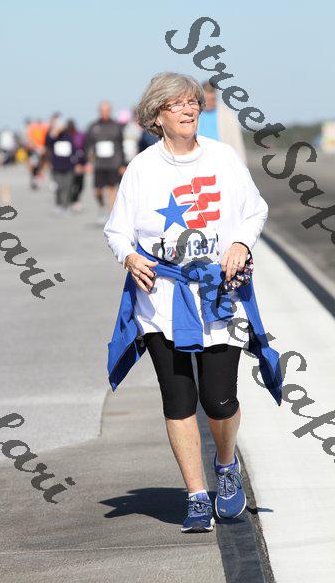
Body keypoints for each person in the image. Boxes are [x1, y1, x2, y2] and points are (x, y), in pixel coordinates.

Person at [103, 72, 283, 534]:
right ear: (156, 115)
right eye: (178, 104)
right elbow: (117, 230)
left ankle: (225, 465)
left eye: (194, 102)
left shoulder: (222, 158)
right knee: (178, 398)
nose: (190, 110)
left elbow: (255, 210)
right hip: (162, 299)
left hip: (219, 296)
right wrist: (129, 257)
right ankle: (197, 494)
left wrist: (240, 243)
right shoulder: (142, 168)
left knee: (219, 400)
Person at [84, 101, 126, 225]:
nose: (105, 112)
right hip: (99, 163)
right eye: (102, 110)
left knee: (112, 189)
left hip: (113, 163)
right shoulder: (93, 126)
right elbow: (88, 145)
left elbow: (121, 146)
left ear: (110, 111)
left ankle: (111, 215)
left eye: (107, 110)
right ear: (99, 111)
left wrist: (122, 164)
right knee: (97, 189)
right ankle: (101, 207)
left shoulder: (116, 126)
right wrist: (88, 162)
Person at [197, 81, 247, 164]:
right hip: (197, 161)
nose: (208, 103)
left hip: (221, 161)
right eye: (206, 99)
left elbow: (237, 143)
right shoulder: (191, 113)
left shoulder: (228, 116)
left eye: (212, 99)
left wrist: (242, 165)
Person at [45, 117, 76, 214]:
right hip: (56, 166)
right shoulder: (52, 137)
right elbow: (47, 143)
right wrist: (54, 133)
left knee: (68, 186)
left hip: (68, 166)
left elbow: (73, 149)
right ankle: (59, 204)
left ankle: (67, 205)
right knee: (58, 186)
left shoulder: (68, 136)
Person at [66, 119, 87, 212]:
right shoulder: (65, 136)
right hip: (69, 164)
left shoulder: (80, 135)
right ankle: (72, 200)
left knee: (80, 184)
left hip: (80, 161)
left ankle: (76, 199)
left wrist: (84, 163)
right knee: (70, 184)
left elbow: (85, 148)